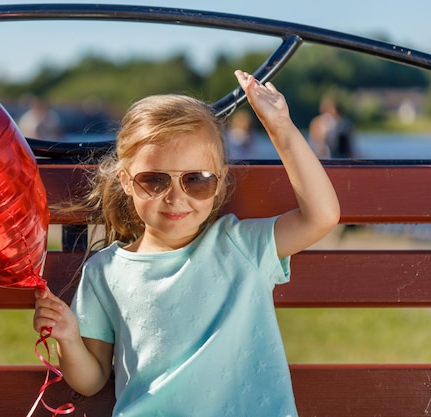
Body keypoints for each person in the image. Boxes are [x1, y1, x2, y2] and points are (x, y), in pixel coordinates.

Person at [33, 70, 340, 416]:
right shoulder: (104, 272)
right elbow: (91, 380)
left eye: (196, 181)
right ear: (126, 181)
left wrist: (280, 129)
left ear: (220, 181)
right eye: (154, 181)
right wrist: (69, 339)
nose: (176, 197)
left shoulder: (240, 246)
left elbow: (322, 216)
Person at [308, 93, 354, 158]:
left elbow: (348, 147)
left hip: (330, 157)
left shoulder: (345, 123)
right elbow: (318, 143)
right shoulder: (318, 122)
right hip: (324, 156)